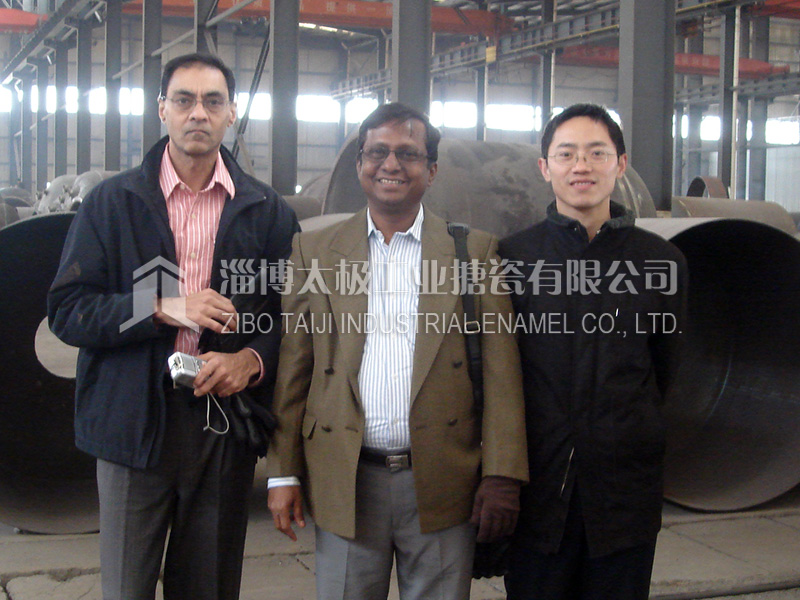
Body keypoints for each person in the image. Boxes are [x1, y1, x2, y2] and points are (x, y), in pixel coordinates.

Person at [48, 53, 298, 600]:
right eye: (184, 100)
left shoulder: (267, 212)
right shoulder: (113, 204)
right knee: (126, 585)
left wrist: (251, 360)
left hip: (222, 426)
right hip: (132, 422)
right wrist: (162, 307)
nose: (198, 113)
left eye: (212, 101)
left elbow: (294, 318)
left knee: (209, 586)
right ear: (162, 109)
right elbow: (68, 309)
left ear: (232, 113)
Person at [266, 102, 528, 600]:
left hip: (443, 478)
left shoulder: (472, 254)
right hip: (346, 475)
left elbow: (501, 375)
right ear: (360, 164)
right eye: (377, 152)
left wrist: (502, 474)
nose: (391, 164)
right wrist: (282, 473)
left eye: (408, 154)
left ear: (432, 170)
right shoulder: (314, 252)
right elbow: (295, 369)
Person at [498, 103, 688, 600]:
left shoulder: (661, 262)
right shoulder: (513, 259)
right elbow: (497, 373)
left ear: (620, 164)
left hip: (625, 493)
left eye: (596, 153)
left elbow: (664, 367)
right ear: (545, 168)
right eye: (566, 154)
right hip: (539, 490)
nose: (581, 166)